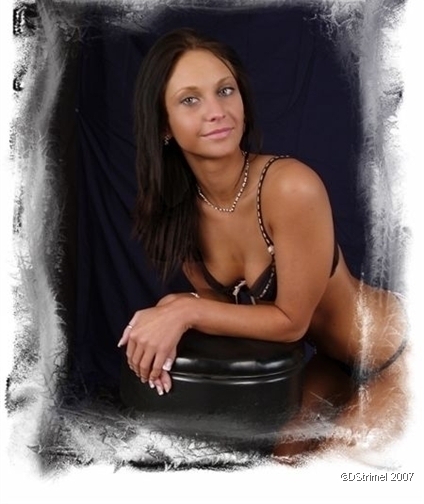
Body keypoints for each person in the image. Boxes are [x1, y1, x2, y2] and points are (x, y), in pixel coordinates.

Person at [117, 28, 407, 455]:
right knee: (285, 464)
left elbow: (291, 323)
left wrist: (183, 310)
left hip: (396, 353)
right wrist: (169, 314)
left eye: (225, 91)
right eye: (190, 100)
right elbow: (228, 319)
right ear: (164, 124)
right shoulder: (181, 215)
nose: (216, 111)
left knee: (344, 467)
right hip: (330, 364)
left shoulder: (290, 186)